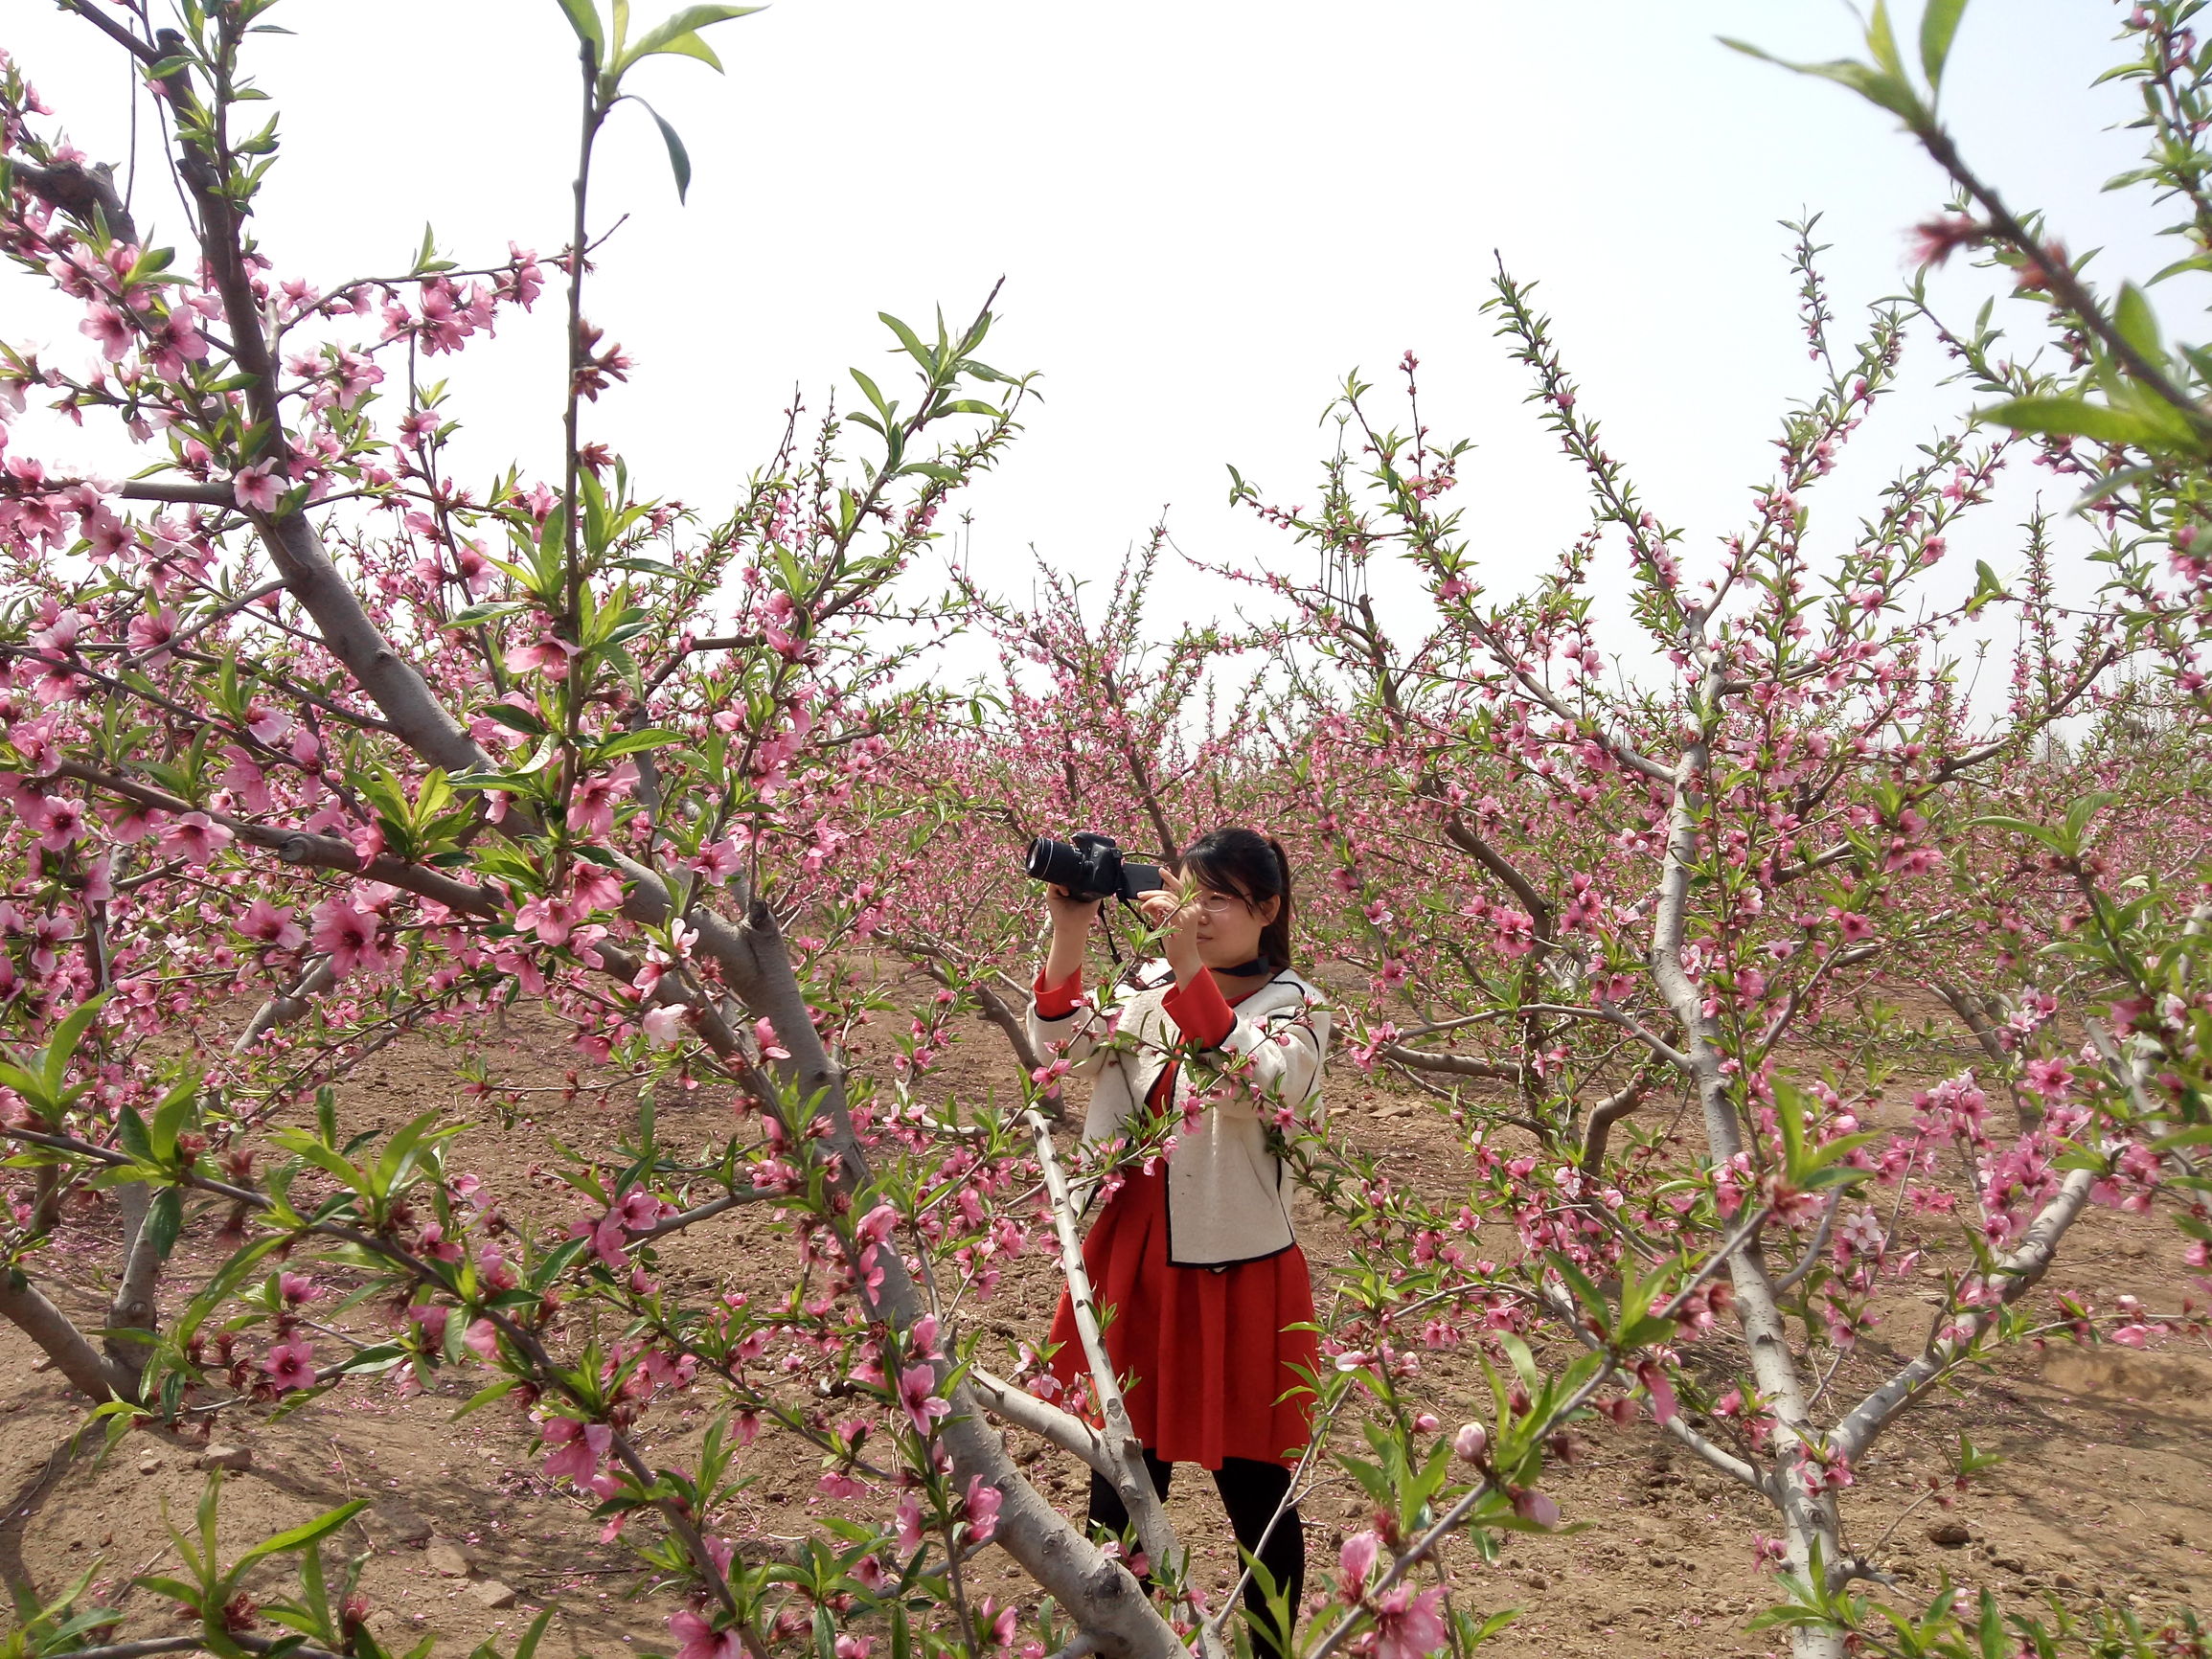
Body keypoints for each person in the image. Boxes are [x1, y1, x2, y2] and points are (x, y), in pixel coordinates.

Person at [1027, 826, 1330, 1659]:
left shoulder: (1298, 1008)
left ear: (1268, 911)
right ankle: (1129, 1640)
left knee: (1254, 1483)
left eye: (1220, 900)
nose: (1197, 916)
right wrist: (1072, 927)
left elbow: (1254, 1087)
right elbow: (1060, 1048)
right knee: (1122, 1473)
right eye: (1188, 893)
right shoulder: (1154, 983)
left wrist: (1187, 976)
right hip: (1134, 1254)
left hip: (1235, 1270)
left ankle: (1270, 1650)